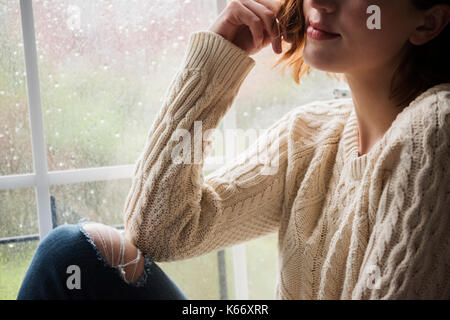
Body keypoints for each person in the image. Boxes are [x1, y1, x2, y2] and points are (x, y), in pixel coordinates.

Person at [18, 0, 450, 300]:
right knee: (72, 253)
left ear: (427, 23)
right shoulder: (310, 136)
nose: (320, 1)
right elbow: (161, 231)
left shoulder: (436, 125)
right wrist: (214, 66)